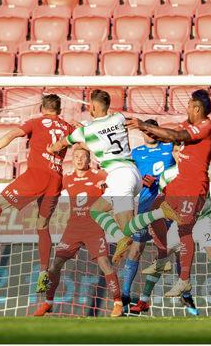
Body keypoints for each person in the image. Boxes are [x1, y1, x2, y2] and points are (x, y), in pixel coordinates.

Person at [47, 90, 180, 265]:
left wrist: (51, 149)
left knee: (127, 228)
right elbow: (102, 137)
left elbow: (62, 144)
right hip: (132, 172)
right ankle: (120, 239)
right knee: (96, 210)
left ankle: (160, 212)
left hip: (120, 177)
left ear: (93, 106)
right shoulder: (118, 117)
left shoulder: (86, 131)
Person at [0, 94, 75, 293]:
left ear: (42, 108)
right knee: (42, 225)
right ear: (59, 110)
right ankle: (44, 272)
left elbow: (12, 134)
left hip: (36, 175)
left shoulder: (35, 122)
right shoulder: (68, 127)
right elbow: (85, 140)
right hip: (56, 179)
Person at [124, 89, 211, 296]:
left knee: (184, 229)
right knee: (155, 210)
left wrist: (143, 125)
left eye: (189, 105)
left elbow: (176, 136)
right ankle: (163, 258)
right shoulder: (188, 123)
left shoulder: (205, 126)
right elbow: (172, 132)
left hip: (194, 187)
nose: (186, 109)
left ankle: (184, 281)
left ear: (197, 108)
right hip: (178, 184)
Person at [131, 145, 211, 316]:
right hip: (180, 221)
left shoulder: (203, 168)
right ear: (173, 153)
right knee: (161, 257)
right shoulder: (167, 175)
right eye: (176, 150)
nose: (179, 153)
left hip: (202, 219)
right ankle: (144, 300)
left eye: (182, 150)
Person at [33, 146, 124, 317]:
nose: (80, 159)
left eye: (83, 156)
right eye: (76, 156)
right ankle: (48, 302)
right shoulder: (67, 178)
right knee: (55, 265)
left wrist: (107, 187)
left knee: (105, 263)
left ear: (89, 160)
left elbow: (119, 186)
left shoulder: (100, 175)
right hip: (73, 228)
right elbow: (51, 191)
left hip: (94, 228)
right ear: (72, 159)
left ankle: (118, 302)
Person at [120, 119, 175, 309]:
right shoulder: (135, 154)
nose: (149, 134)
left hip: (167, 208)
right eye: (146, 131)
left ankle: (181, 295)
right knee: (135, 250)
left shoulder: (169, 149)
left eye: (152, 131)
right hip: (144, 208)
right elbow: (129, 179)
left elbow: (180, 171)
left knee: (169, 249)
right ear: (141, 133)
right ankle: (125, 296)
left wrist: (161, 182)